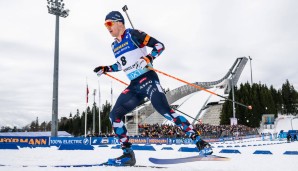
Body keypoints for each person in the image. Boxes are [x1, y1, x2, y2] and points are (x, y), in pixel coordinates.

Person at [94, 11, 212, 166]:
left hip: (148, 79)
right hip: (134, 86)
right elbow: (121, 65)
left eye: (109, 23)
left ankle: (199, 142)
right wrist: (105, 68)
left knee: (166, 111)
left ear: (120, 23)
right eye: (105, 25)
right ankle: (128, 154)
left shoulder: (133, 34)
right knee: (114, 115)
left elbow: (159, 46)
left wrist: (148, 58)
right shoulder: (114, 45)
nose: (107, 27)